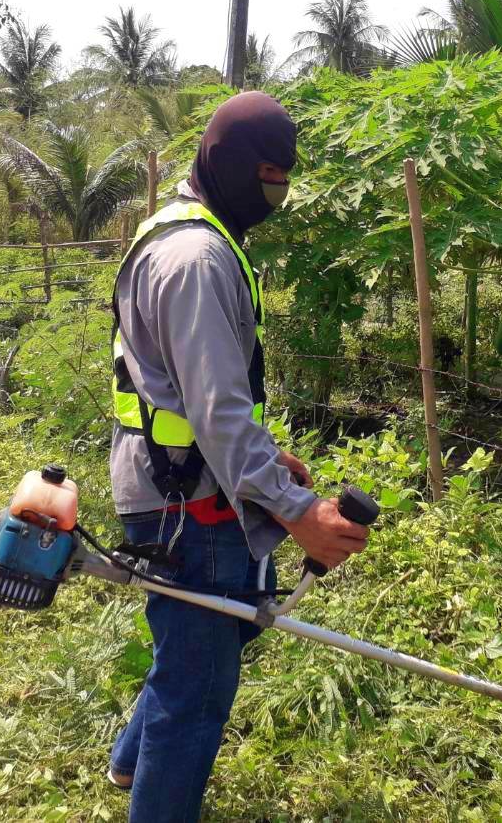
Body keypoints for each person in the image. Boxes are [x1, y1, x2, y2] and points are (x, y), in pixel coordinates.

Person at [106, 91, 370, 822]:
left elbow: (193, 396)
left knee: (205, 644)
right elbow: (218, 410)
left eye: (281, 175)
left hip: (176, 480)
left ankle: (131, 767)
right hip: (190, 500)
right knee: (196, 694)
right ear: (227, 164)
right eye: (266, 173)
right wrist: (297, 513)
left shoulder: (180, 233)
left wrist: (266, 460)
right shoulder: (197, 257)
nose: (275, 190)